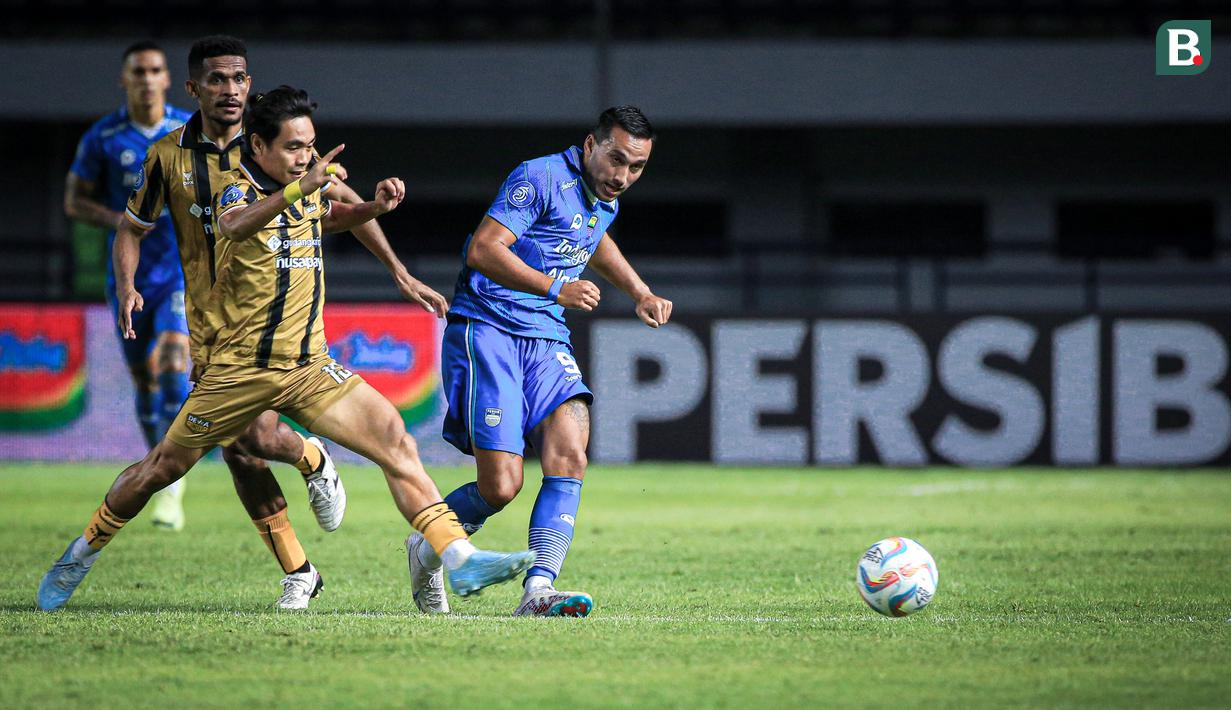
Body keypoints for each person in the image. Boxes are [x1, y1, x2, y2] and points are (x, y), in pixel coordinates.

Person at [38, 85, 534, 613]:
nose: (308, 157)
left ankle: (458, 557)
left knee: (397, 441)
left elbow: (335, 217)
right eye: (296, 147)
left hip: (309, 367)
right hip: (239, 372)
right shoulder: (235, 187)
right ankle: (80, 552)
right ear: (258, 146)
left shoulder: (307, 181)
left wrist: (374, 207)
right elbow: (234, 224)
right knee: (160, 469)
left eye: (311, 145)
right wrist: (304, 188)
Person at [41, 36, 352, 610]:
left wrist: (399, 269)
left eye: (238, 79)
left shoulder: (277, 146)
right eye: (216, 80)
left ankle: (86, 552)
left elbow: (340, 206)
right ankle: (304, 523)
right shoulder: (167, 155)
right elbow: (130, 227)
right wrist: (128, 285)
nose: (229, 90)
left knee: (229, 440)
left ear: (249, 85)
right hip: (209, 327)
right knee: (242, 450)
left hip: (259, 325)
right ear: (195, 88)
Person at [411, 106, 672, 617]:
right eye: (616, 159)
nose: (623, 176)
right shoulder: (539, 176)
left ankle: (539, 590)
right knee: (501, 486)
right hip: (488, 327)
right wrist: (557, 287)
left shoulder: (604, 197)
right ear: (590, 145)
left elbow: (591, 240)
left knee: (571, 450)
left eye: (636, 167)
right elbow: (484, 250)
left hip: (546, 336)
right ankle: (428, 546)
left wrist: (639, 291)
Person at [65, 40, 195, 530]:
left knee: (172, 359)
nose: (146, 78)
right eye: (137, 71)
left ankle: (173, 483)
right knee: (145, 381)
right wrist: (122, 220)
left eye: (155, 70)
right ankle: (162, 467)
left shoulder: (188, 130)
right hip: (127, 273)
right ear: (125, 79)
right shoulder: (104, 137)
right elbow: (74, 202)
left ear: (168, 79)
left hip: (181, 271)